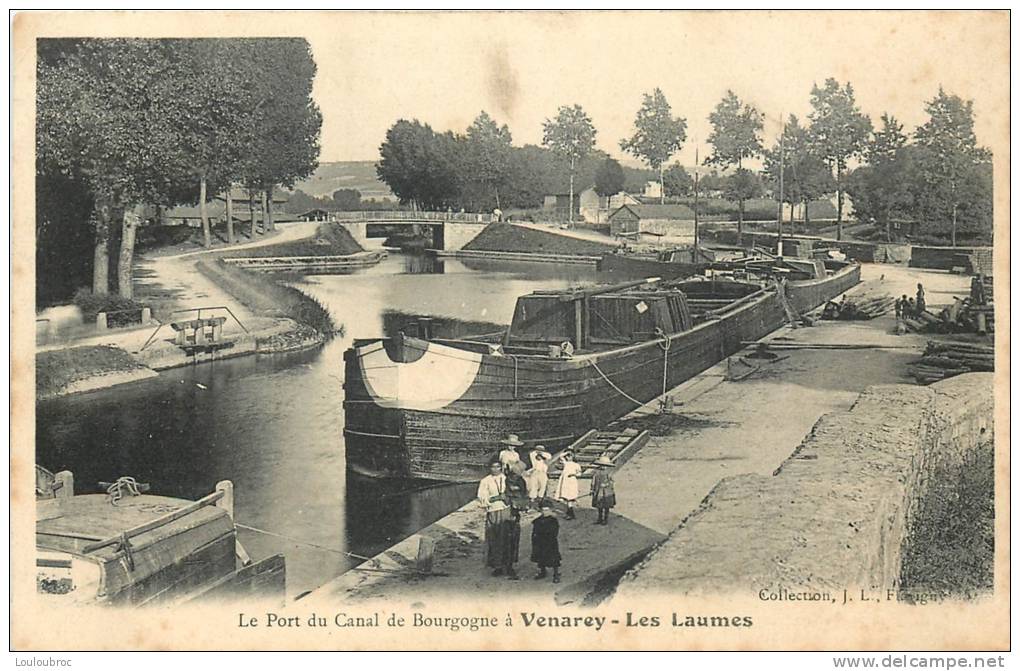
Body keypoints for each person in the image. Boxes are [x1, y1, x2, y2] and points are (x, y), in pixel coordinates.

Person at [477, 460, 520, 579]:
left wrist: (509, 498)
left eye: (498, 467)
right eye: (493, 467)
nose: (495, 469)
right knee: (495, 538)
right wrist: (496, 497)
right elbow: (482, 498)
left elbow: (517, 493)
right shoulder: (485, 481)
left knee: (509, 539)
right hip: (494, 512)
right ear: (490, 468)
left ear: (501, 468)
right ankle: (498, 566)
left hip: (507, 511)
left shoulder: (508, 479)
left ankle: (510, 566)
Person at [530, 500, 562, 583]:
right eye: (543, 510)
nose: (545, 512)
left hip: (550, 542)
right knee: (540, 557)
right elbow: (534, 531)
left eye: (547, 510)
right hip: (540, 542)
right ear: (540, 510)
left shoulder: (553, 520)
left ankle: (556, 574)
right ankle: (542, 571)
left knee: (553, 558)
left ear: (551, 510)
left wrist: (550, 536)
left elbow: (555, 532)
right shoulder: (537, 521)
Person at [590, 456, 617, 525]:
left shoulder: (609, 472)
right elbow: (593, 481)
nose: (603, 467)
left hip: (607, 492)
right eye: (602, 465)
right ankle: (599, 518)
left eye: (605, 465)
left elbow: (612, 481)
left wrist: (606, 484)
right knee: (599, 505)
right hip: (598, 491)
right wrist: (592, 489)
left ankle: (605, 519)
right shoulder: (596, 472)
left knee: (606, 506)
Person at [554, 451, 581, 520]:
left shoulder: (576, 465)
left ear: (573, 457)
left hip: (572, 481)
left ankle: (570, 514)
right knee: (566, 497)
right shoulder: (566, 463)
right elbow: (561, 456)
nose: (568, 458)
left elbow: (579, 474)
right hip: (565, 482)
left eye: (570, 456)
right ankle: (570, 514)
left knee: (570, 497)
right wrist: (567, 452)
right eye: (567, 456)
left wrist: (573, 474)